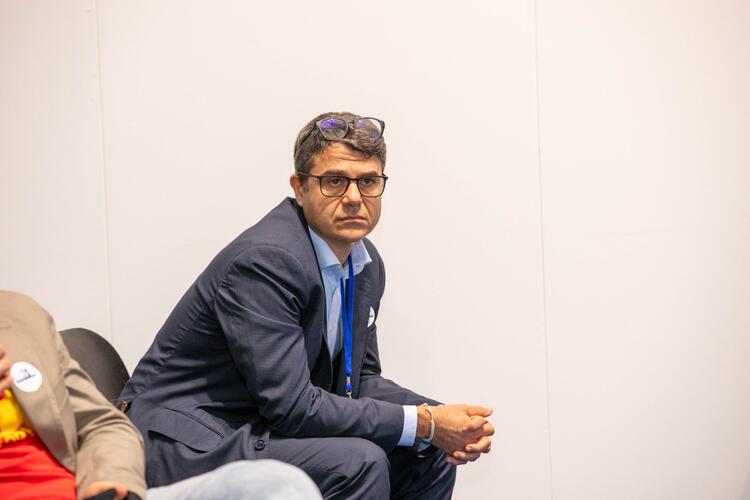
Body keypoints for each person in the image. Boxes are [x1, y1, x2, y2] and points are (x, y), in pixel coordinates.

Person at [118, 112, 495, 499]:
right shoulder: (267, 261)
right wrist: (425, 422)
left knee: (427, 454)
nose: (354, 198)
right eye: (334, 181)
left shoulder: (365, 264)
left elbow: (358, 381)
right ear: (300, 189)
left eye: (368, 181)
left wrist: (443, 420)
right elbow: (292, 407)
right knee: (359, 462)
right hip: (189, 442)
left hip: (259, 425)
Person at [0, 291, 321, 500]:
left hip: (84, 491)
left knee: (276, 485)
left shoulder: (20, 315)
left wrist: (110, 481)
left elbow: (103, 424)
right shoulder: (268, 257)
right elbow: (292, 403)